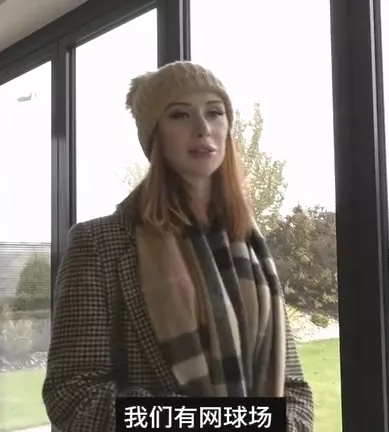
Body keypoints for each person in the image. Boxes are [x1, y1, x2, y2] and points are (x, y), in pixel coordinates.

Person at [41, 60, 314, 431]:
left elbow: (295, 389)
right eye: (180, 115)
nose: (203, 128)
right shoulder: (98, 243)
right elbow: (73, 396)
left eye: (214, 113)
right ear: (156, 136)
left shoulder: (249, 246)